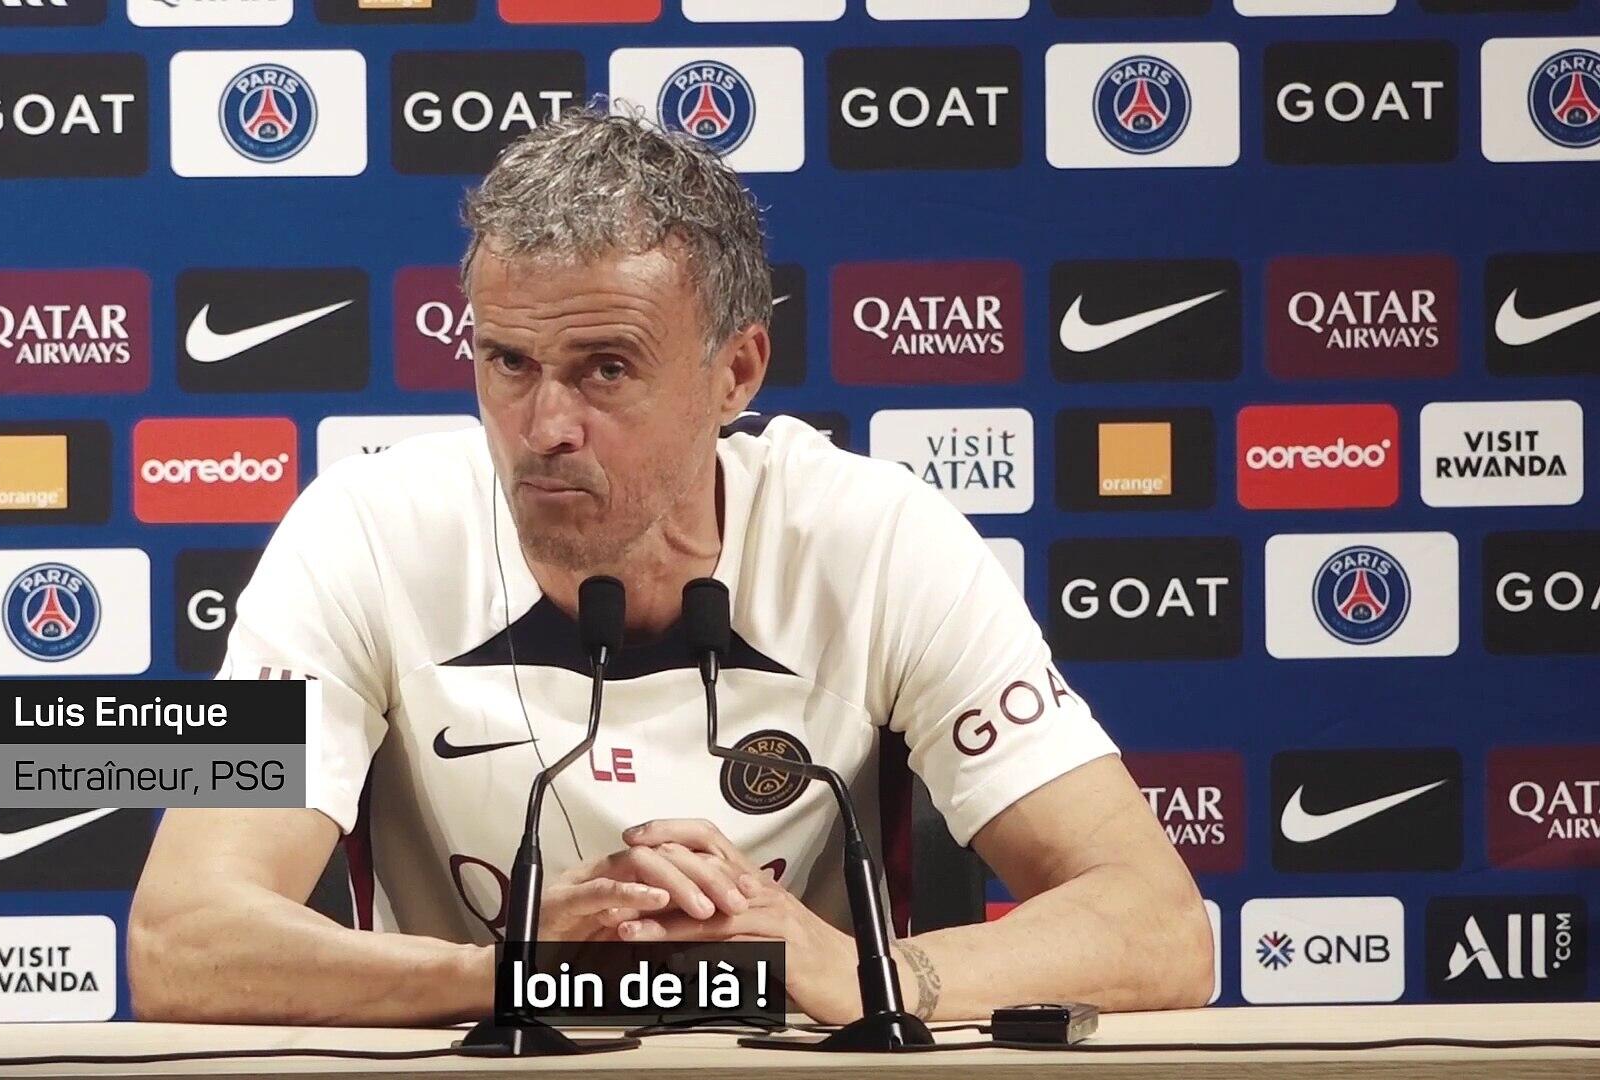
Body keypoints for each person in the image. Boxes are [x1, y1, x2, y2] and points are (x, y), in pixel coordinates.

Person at [128, 107, 1213, 1026]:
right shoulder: (358, 535)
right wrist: (506, 974)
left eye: (606, 369)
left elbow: (1160, 925)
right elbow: (182, 939)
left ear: (736, 371)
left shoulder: (881, 541)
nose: (545, 426)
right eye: (508, 362)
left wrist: (866, 974)